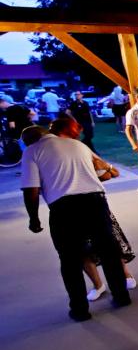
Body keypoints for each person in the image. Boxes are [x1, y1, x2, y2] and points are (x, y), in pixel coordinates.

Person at [20, 125, 131, 322]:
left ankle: (80, 310)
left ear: (29, 141)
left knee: (70, 260)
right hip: (96, 202)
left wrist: (34, 218)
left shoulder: (32, 151)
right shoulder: (77, 144)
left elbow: (31, 190)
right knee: (109, 252)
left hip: (65, 209)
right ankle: (122, 296)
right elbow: (102, 172)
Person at [48, 117, 138, 300]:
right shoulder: (50, 151)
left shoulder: (80, 147)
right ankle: (99, 285)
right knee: (86, 250)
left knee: (109, 246)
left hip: (90, 202)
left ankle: (125, 276)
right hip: (79, 203)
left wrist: (105, 167)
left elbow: (109, 173)